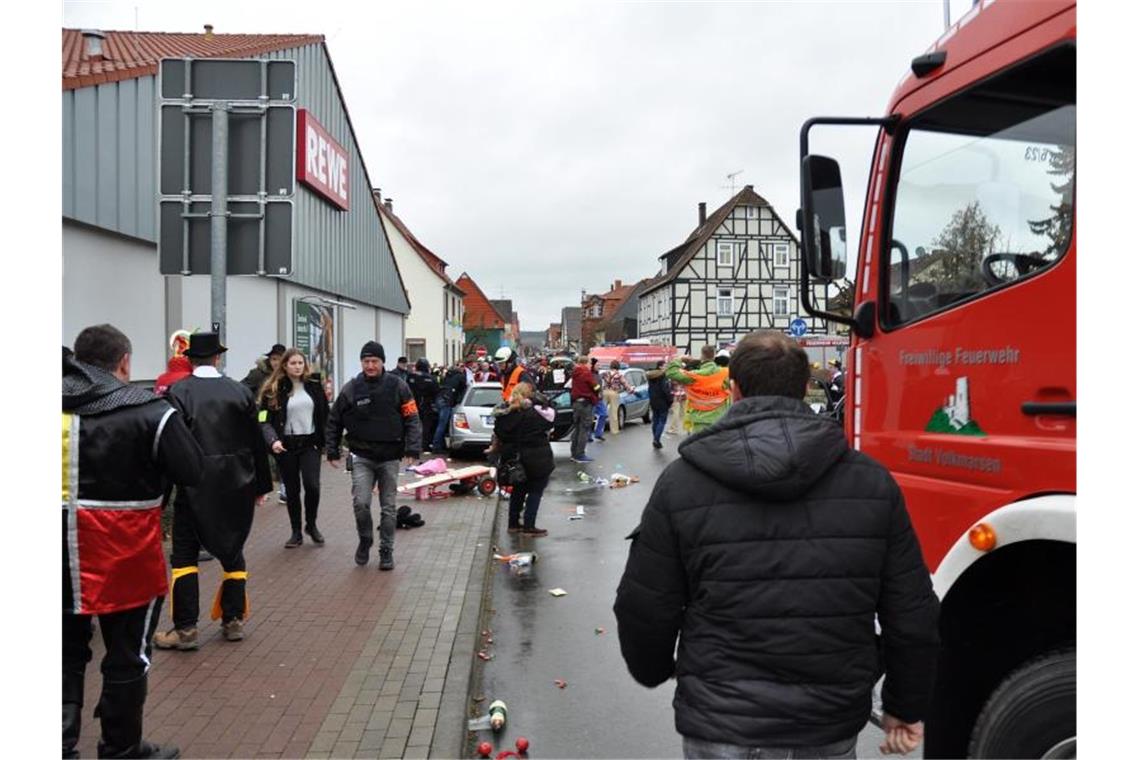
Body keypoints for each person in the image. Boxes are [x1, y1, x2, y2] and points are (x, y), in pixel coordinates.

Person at [614, 331, 940, 759]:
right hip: (826, 722)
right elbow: (913, 614)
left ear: (734, 389)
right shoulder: (870, 482)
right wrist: (904, 705)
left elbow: (644, 604)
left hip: (721, 718)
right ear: (806, 387)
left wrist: (656, 670)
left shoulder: (683, 482)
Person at [63, 327, 205, 760]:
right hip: (123, 553)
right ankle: (121, 748)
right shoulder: (150, 411)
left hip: (52, 554)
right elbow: (192, 470)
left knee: (61, 652)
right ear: (124, 362)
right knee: (127, 654)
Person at [155, 332, 274, 650]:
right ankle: (233, 620)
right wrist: (261, 485)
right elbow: (255, 442)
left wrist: (162, 496)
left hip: (195, 487)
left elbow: (170, 447)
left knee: (184, 557)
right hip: (236, 485)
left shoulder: (178, 393)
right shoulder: (240, 391)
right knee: (233, 550)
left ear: (190, 359)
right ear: (218, 358)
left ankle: (185, 629)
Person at [326, 341, 422, 570]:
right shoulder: (351, 388)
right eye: (366, 361)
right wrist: (332, 450)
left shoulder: (398, 386)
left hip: (389, 457)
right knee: (361, 503)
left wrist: (412, 448)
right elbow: (334, 420)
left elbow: (412, 419)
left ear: (382, 362)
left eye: (374, 361)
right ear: (361, 363)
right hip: (361, 457)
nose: (370, 365)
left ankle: (386, 550)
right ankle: (365, 539)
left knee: (388, 508)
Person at [258, 348, 330, 548]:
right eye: (293, 363)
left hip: (310, 444)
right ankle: (296, 531)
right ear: (284, 366)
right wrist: (273, 440)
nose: (297, 367)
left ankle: (312, 525)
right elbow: (263, 420)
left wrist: (329, 442)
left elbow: (325, 415)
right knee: (292, 490)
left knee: (312, 485)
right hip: (286, 445)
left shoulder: (314, 386)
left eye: (300, 363)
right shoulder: (273, 389)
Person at [493, 382, 555, 536]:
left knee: (518, 489)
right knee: (535, 490)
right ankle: (529, 525)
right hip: (537, 457)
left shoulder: (505, 415)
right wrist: (543, 402)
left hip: (514, 458)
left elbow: (499, 433)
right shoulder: (534, 414)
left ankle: (513, 524)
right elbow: (551, 421)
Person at [665, 346, 731, 434]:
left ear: (701, 357)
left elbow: (671, 372)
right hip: (720, 418)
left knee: (701, 446)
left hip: (699, 420)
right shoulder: (725, 374)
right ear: (714, 356)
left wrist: (679, 359)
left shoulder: (694, 376)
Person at [569, 355, 600, 464]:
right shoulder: (586, 373)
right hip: (586, 403)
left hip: (576, 403)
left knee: (577, 429)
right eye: (589, 363)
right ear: (585, 363)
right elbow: (595, 386)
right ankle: (580, 454)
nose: (590, 365)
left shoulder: (575, 373)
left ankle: (574, 453)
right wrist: (598, 389)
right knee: (584, 429)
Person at [407, 357, 441, 452]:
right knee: (426, 425)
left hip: (412, 403)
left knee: (412, 424)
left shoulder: (411, 376)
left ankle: (411, 445)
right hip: (426, 404)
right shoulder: (431, 378)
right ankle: (424, 445)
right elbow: (436, 391)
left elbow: (406, 389)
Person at [433, 362, 468, 453]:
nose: (462, 368)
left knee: (441, 424)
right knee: (442, 424)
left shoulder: (448, 375)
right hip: (447, 401)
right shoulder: (461, 376)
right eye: (461, 366)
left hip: (440, 399)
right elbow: (463, 390)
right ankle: (436, 446)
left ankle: (440, 445)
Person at [601, 359, 634, 435]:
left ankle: (600, 430)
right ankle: (614, 430)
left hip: (605, 392)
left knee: (602, 411)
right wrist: (631, 390)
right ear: (618, 366)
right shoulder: (619, 375)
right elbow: (625, 384)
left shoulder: (605, 373)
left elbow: (600, 380)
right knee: (614, 412)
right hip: (614, 393)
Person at [645, 360, 672, 449]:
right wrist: (670, 400)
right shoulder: (662, 376)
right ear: (660, 366)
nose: (666, 367)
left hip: (653, 400)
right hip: (662, 401)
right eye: (665, 366)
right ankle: (656, 439)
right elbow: (665, 389)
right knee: (662, 421)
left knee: (655, 420)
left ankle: (655, 438)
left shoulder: (651, 376)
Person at [589, 357, 608, 442]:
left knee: (604, 414)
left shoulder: (598, 374)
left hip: (599, 399)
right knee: (590, 418)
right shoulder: (589, 375)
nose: (599, 366)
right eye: (597, 364)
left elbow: (599, 386)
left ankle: (598, 433)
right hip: (592, 399)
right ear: (593, 366)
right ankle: (588, 435)